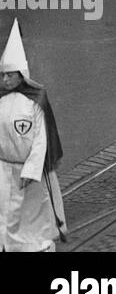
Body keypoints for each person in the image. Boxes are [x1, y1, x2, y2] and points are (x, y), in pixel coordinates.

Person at [0, 21, 68, 250]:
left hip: (28, 170)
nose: (5, 81)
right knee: (7, 212)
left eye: (10, 76)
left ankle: (40, 244)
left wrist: (31, 169)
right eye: (3, 76)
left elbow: (41, 139)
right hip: (4, 168)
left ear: (21, 76)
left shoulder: (35, 100)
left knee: (32, 213)